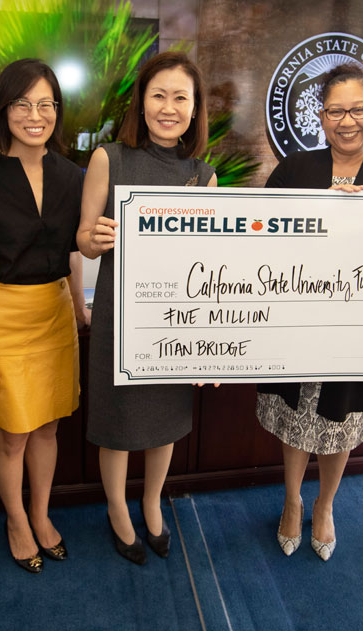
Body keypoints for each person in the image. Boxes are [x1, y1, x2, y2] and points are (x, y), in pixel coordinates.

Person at [255, 62, 363, 562]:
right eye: (335, 111)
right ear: (321, 117)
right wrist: (317, 211)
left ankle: (325, 505)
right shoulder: (295, 171)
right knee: (297, 413)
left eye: (357, 109)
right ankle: (291, 500)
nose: (346, 121)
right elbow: (263, 241)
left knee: (340, 417)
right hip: (300, 319)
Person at [0, 59, 88, 573]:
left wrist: (79, 308)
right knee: (12, 433)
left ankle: (41, 513)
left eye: (46, 104)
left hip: (54, 313)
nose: (36, 115)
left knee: (47, 427)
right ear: (4, 110)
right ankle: (15, 520)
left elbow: (71, 251)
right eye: (23, 103)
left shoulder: (73, 176)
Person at [77, 51, 216, 565]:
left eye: (181, 97)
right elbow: (83, 241)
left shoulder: (204, 175)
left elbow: (208, 260)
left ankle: (152, 501)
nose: (169, 107)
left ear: (195, 108)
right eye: (159, 94)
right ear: (141, 101)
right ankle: (117, 509)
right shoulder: (108, 158)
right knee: (118, 423)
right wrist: (95, 237)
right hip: (121, 318)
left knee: (165, 421)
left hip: (175, 322)